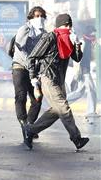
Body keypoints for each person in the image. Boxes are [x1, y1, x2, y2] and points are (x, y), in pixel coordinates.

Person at [24, 13, 89, 150]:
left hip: (59, 80)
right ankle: (77, 139)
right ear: (60, 26)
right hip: (47, 78)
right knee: (64, 109)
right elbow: (32, 57)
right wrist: (33, 78)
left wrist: (77, 44)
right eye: (66, 26)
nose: (69, 29)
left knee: (56, 111)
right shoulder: (50, 37)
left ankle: (31, 130)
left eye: (70, 26)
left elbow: (77, 58)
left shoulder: (69, 39)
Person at [12, 6, 47, 135]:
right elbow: (21, 49)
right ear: (31, 17)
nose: (39, 18)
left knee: (37, 99)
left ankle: (30, 125)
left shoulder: (44, 33)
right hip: (20, 66)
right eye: (36, 16)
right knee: (21, 96)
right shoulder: (25, 29)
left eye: (42, 16)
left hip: (34, 71)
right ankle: (23, 122)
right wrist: (31, 68)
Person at [66, 25, 97, 116]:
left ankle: (61, 103)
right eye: (92, 32)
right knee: (91, 90)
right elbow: (77, 58)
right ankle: (91, 111)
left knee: (79, 92)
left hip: (84, 70)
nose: (94, 34)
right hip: (83, 70)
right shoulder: (83, 42)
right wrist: (78, 72)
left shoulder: (88, 42)